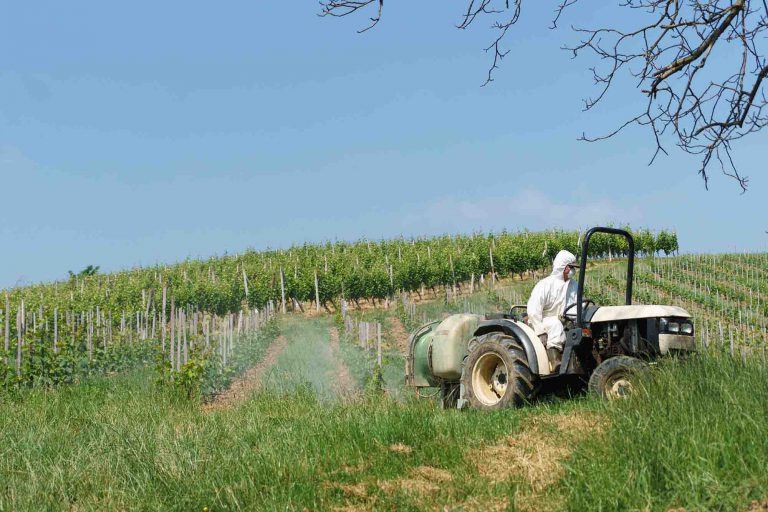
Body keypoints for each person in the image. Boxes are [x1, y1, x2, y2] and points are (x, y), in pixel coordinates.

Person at [526, 250, 579, 371]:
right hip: (541, 321)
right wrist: (540, 331)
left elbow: (576, 307)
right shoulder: (545, 285)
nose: (573, 271)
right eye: (571, 267)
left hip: (564, 320)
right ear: (563, 267)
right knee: (555, 324)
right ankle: (555, 361)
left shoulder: (574, 285)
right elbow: (534, 310)